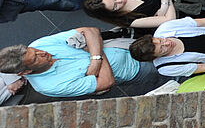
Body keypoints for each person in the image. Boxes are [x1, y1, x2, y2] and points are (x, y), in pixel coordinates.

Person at [0, 25, 140, 98]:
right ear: (26, 71)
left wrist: (95, 60)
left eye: (35, 50)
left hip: (126, 44)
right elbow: (106, 82)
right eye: (36, 58)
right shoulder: (49, 86)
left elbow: (91, 30)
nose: (42, 52)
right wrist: (96, 50)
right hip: (136, 70)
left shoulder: (40, 44)